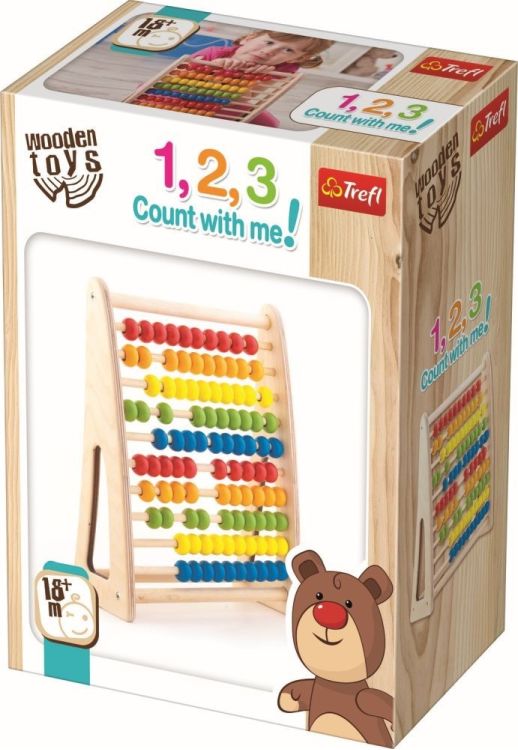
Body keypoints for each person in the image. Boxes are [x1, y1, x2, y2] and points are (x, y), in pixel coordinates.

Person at [193, 31, 334, 126]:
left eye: (288, 50)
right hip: (192, 97)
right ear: (248, 38)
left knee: (270, 123)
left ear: (296, 58)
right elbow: (180, 79)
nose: (268, 52)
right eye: (269, 42)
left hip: (231, 103)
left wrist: (248, 80)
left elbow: (242, 101)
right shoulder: (213, 53)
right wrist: (214, 68)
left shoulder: (281, 70)